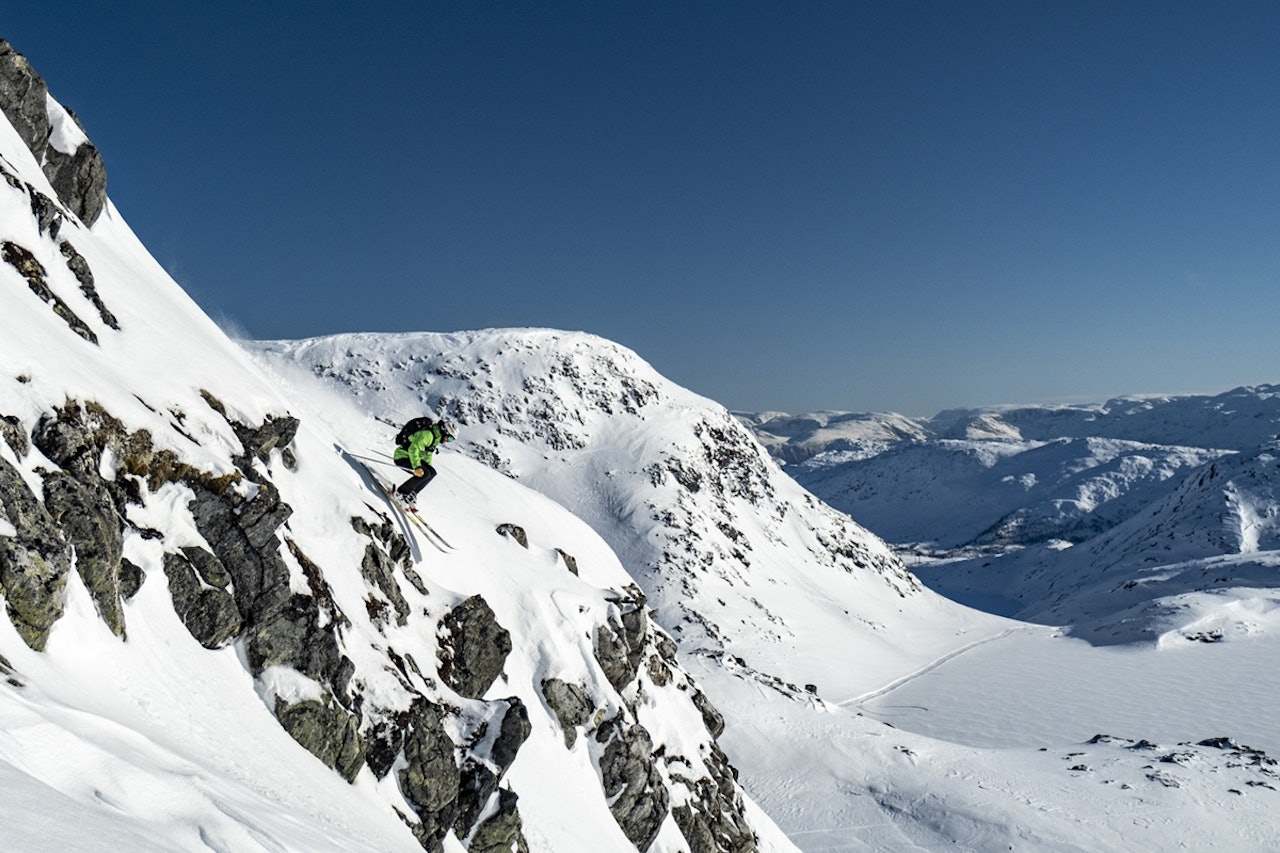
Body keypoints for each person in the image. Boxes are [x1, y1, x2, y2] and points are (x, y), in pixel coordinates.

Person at [393, 418, 456, 505]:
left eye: (451, 440)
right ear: (445, 431)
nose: (448, 441)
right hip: (402, 456)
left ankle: (412, 493)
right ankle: (400, 493)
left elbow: (427, 454)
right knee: (424, 473)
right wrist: (417, 467)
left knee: (432, 473)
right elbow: (413, 449)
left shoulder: (435, 437)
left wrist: (427, 466)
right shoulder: (428, 435)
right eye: (449, 438)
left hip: (410, 457)